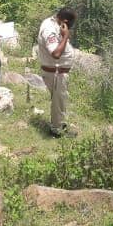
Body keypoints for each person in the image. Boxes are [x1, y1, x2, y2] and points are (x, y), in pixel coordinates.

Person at [37, 8, 77, 137]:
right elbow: (56, 53)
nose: (71, 27)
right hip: (55, 73)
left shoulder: (54, 23)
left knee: (60, 100)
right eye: (71, 24)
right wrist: (66, 36)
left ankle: (59, 124)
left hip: (58, 72)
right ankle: (56, 130)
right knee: (58, 101)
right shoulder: (50, 30)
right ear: (65, 21)